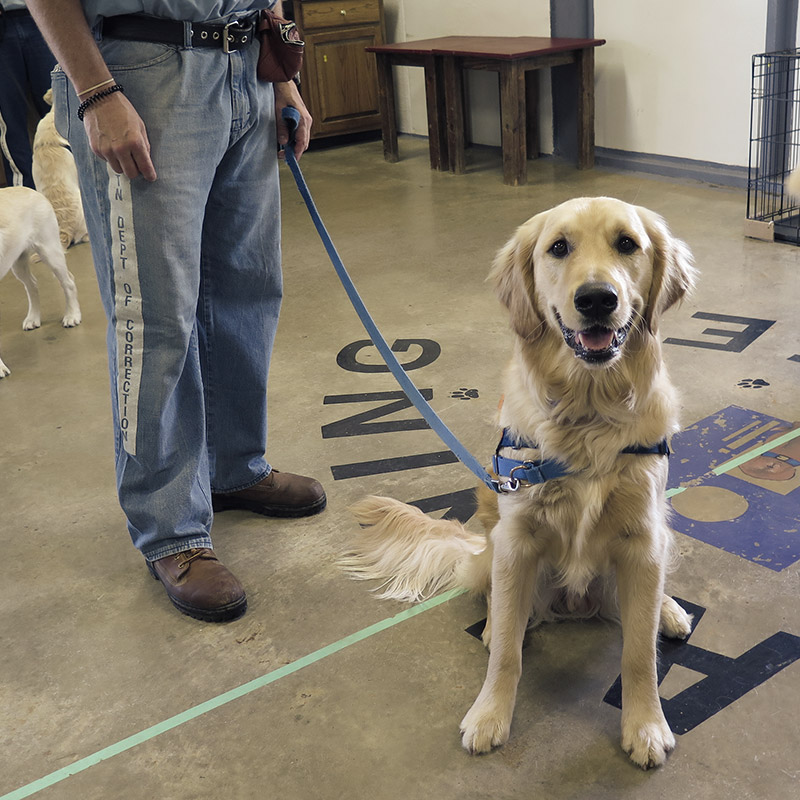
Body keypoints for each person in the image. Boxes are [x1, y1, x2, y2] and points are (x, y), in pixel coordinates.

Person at [27, 0, 324, 623]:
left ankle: (234, 467)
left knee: (247, 288)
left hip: (245, 63)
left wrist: (279, 70)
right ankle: (171, 529)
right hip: (141, 70)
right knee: (156, 316)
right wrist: (95, 89)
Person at [0, 1, 57, 187]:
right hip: (3, 21)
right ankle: (24, 194)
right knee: (10, 123)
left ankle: (75, 194)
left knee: (60, 114)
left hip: (48, 14)